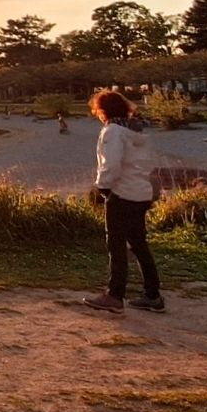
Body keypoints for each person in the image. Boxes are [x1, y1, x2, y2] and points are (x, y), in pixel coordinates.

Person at [80, 91, 164, 314]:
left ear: (102, 111)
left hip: (122, 193)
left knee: (116, 245)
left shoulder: (113, 132)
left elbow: (112, 164)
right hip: (141, 193)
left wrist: (103, 187)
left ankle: (115, 295)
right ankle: (152, 294)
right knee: (138, 244)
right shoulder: (136, 131)